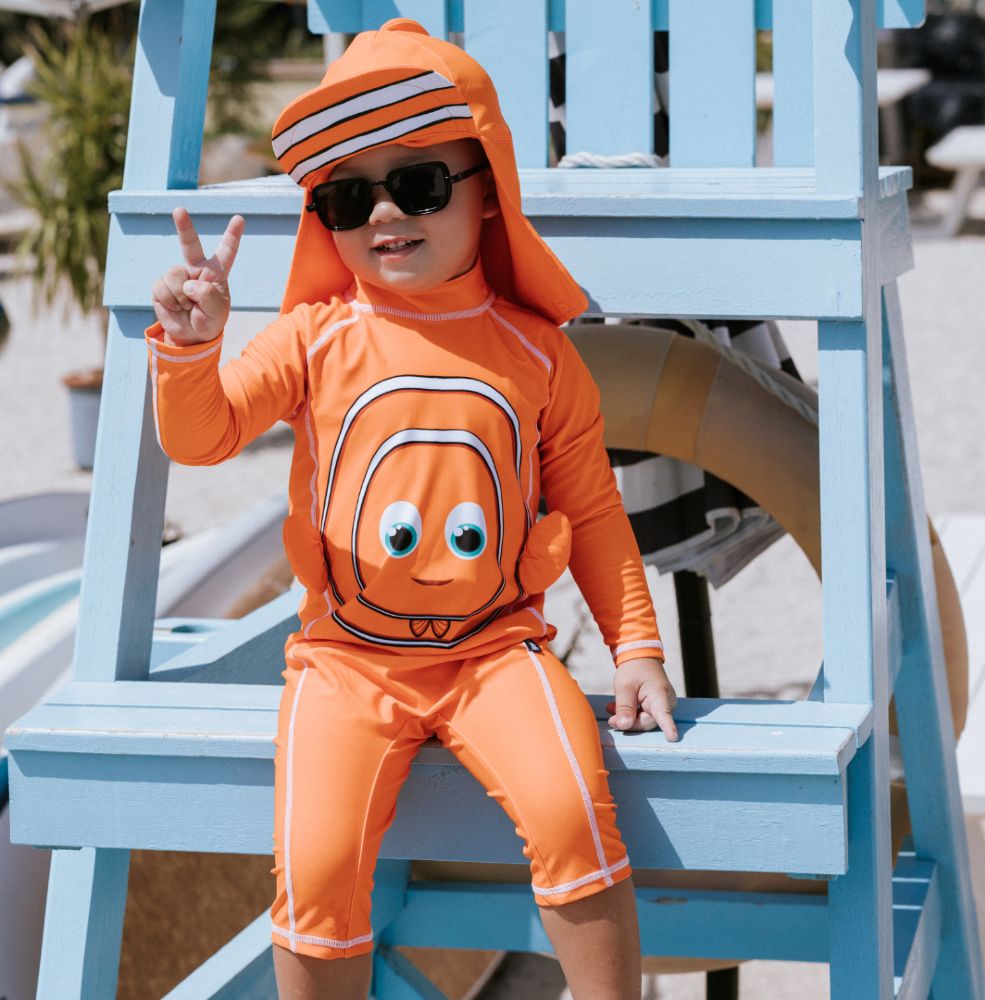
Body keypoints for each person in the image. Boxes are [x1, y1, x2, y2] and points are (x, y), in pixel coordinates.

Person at [148, 19, 677, 1000]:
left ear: (485, 195)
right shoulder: (313, 337)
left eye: (418, 183)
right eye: (350, 196)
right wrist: (190, 350)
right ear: (326, 222)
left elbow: (594, 508)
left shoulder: (536, 354)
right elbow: (203, 436)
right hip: (345, 663)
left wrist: (636, 647)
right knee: (314, 870)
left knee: (570, 809)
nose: (384, 214)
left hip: (495, 652)